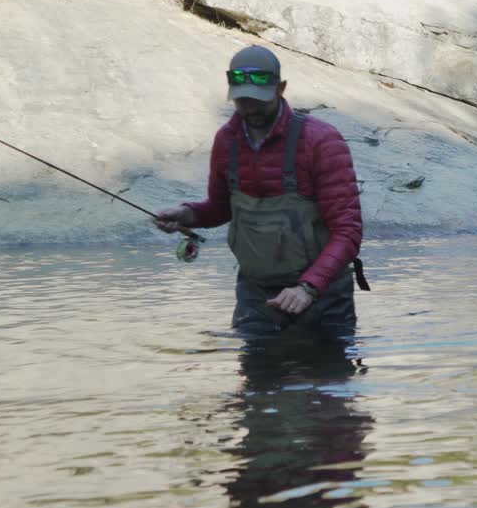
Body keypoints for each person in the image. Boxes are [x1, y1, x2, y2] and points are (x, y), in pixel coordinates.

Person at [154, 45, 368, 337]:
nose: (250, 108)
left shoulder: (321, 141)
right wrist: (186, 215)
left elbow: (348, 231)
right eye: (242, 101)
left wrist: (309, 287)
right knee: (256, 380)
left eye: (259, 100)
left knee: (326, 377)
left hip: (324, 293)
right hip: (256, 294)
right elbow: (221, 208)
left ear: (281, 88)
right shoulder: (226, 141)